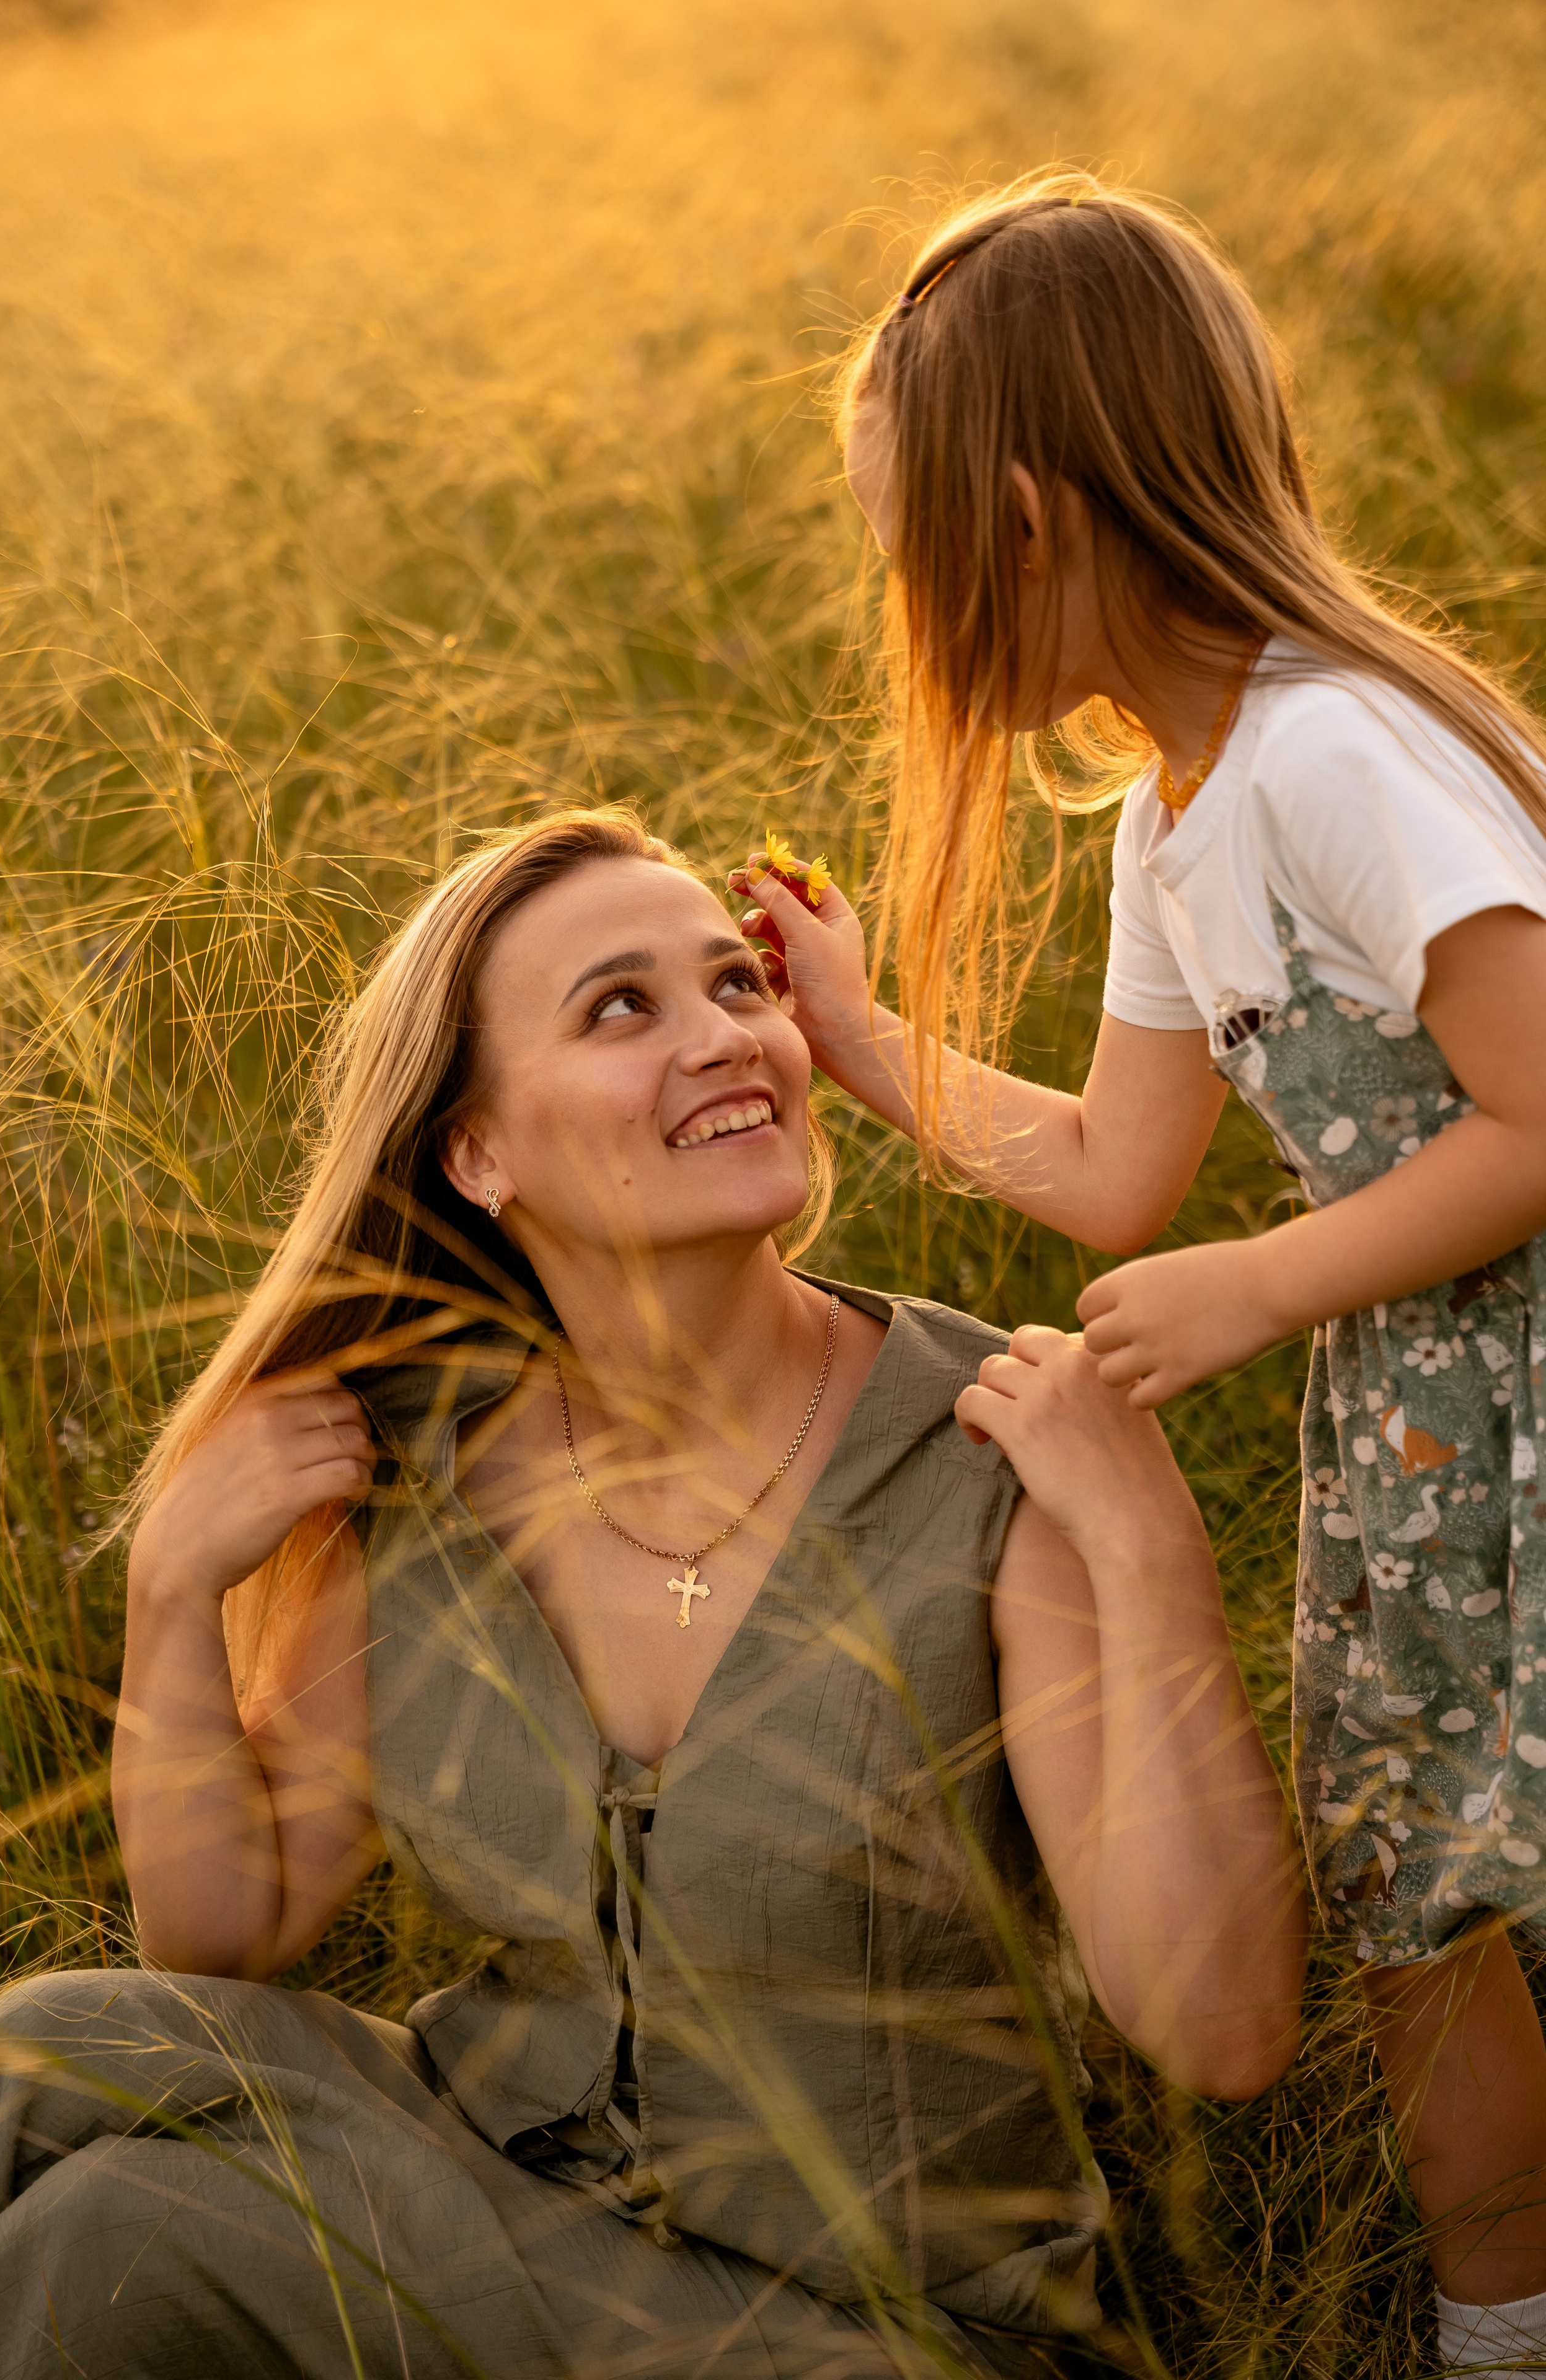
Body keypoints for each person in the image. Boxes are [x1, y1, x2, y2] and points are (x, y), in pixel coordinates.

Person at [0, 810, 1301, 2380]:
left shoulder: (1002, 1450)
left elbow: (1224, 2037)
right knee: (50, 2052)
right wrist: (172, 1590)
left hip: (887, 2336)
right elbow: (227, 1929)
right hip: (490, 2218)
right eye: (622, 1007)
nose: (728, 1040)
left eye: (739, 988)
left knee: (125, 2229)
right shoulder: (419, 1468)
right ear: (477, 1152)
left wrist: (1150, 1553)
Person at [738, 170, 1546, 2373]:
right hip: (1427, 1437)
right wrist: (851, 1031)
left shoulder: (1331, 753)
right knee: (1422, 1895)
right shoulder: (1181, 820)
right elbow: (1112, 1171)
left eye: (904, 544)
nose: (896, 600)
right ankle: (1508, 2328)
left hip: (1511, 1403)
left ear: (1023, 517)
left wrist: (1270, 1285)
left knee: (1460, 1880)